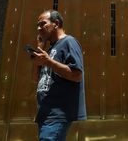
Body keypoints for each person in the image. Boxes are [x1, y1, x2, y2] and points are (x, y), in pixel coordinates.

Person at [30, 10, 86, 141]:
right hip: (45, 113)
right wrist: (40, 49)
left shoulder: (69, 42)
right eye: (37, 25)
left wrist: (48, 61)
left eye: (42, 24)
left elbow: (77, 75)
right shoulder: (49, 49)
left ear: (56, 23)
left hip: (58, 113)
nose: (39, 28)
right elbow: (34, 79)